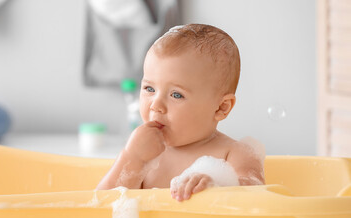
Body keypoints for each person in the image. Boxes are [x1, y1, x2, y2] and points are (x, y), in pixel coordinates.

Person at [96, 24, 265, 201]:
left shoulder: (235, 154)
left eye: (176, 95)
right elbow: (102, 205)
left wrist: (218, 186)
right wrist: (132, 157)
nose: (156, 105)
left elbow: (257, 198)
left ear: (221, 107)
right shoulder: (143, 152)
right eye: (149, 88)